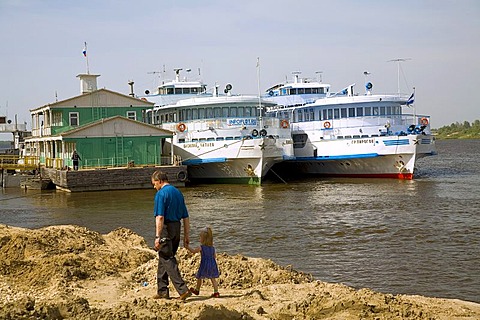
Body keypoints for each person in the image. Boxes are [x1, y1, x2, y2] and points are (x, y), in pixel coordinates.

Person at [151, 170, 192, 301]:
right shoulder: (178, 193)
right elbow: (186, 217)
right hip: (177, 227)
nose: (154, 187)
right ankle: (162, 290)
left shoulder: (161, 194)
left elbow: (160, 217)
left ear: (160, 181)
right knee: (164, 257)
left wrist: (157, 237)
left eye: (154, 184)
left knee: (167, 258)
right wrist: (186, 236)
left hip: (166, 228)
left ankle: (183, 290)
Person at [187, 226, 220, 298]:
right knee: (213, 278)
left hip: (204, 264)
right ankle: (216, 292)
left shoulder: (201, 247)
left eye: (200, 237)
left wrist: (187, 247)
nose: (199, 239)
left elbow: (193, 251)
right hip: (212, 264)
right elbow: (214, 256)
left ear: (203, 239)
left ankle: (197, 289)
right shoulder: (212, 248)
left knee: (199, 277)